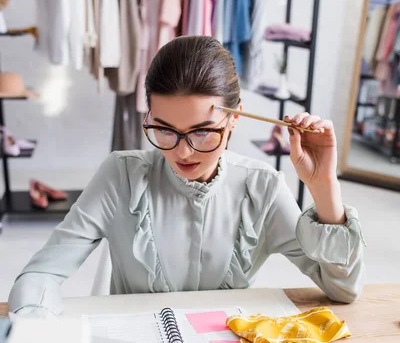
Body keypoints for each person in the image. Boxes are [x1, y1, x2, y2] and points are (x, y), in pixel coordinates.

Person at [8, 36, 364, 318]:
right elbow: (40, 274)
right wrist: (37, 334)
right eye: (164, 130)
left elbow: (343, 290)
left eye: (202, 132)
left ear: (235, 117)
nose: (183, 152)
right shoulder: (121, 176)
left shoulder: (263, 188)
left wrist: (324, 186)